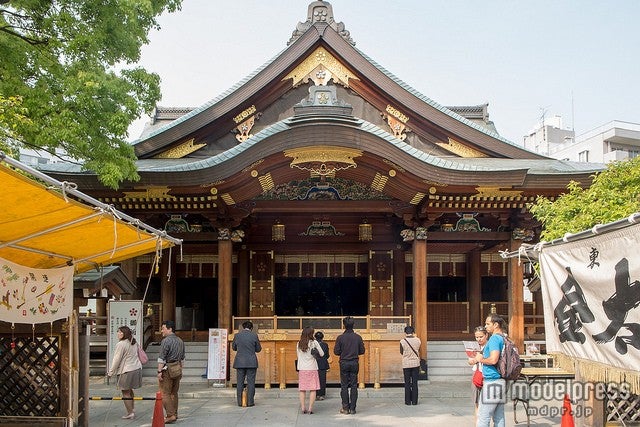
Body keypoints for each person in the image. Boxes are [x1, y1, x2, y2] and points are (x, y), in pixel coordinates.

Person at [475, 314, 507, 427]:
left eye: (488, 324)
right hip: (501, 380)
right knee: (499, 416)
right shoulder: (504, 337)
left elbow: (493, 360)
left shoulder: (494, 338)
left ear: (496, 325)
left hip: (492, 381)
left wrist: (481, 359)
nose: (485, 326)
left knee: (483, 416)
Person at [107, 325, 143, 420]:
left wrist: (111, 372)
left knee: (125, 392)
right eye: (118, 332)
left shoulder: (121, 344)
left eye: (120, 332)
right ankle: (132, 409)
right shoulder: (133, 342)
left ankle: (130, 412)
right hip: (136, 368)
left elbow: (116, 360)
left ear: (125, 333)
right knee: (130, 391)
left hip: (126, 370)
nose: (118, 334)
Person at [334, 316, 365, 415]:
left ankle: (345, 408)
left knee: (344, 386)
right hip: (354, 362)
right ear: (353, 325)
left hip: (344, 362)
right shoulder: (358, 337)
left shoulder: (340, 338)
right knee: (354, 386)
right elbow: (362, 351)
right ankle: (353, 408)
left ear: (344, 325)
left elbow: (336, 352)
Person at [157, 320, 185, 424]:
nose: (161, 331)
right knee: (174, 392)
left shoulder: (166, 341)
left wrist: (159, 371)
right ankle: (175, 413)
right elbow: (183, 358)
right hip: (177, 367)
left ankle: (170, 414)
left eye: (163, 328)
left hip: (167, 368)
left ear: (170, 329)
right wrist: (181, 369)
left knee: (165, 393)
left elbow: (162, 358)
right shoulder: (180, 340)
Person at [232, 320, 262, 407]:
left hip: (240, 362)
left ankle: (240, 402)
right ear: (251, 328)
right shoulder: (254, 335)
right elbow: (258, 349)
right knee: (251, 382)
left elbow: (234, 348)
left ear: (243, 327)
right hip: (251, 362)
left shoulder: (237, 335)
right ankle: (250, 402)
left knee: (240, 382)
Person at [296, 326, 324, 414]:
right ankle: (310, 408)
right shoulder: (314, 342)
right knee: (313, 389)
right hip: (312, 368)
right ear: (311, 334)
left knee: (302, 389)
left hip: (302, 368)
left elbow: (298, 356)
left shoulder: (299, 343)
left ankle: (303, 408)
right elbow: (322, 354)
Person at [468, 326, 490, 413]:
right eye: (477, 337)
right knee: (476, 403)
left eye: (481, 337)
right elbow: (470, 362)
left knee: (487, 403)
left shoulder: (490, 346)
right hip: (476, 374)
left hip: (487, 374)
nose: (479, 339)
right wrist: (473, 360)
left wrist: (479, 358)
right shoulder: (475, 347)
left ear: (486, 335)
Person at [399, 325, 421, 406]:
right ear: (413, 332)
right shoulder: (418, 340)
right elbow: (419, 350)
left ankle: (408, 401)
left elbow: (401, 352)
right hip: (415, 363)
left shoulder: (402, 341)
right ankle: (415, 401)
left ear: (405, 332)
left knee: (407, 383)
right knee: (415, 383)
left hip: (406, 364)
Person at [314, 331, 330, 400]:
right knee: (322, 380)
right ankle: (322, 395)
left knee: (315, 379)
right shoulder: (325, 345)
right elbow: (327, 355)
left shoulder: (313, 344)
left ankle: (316, 394)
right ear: (322, 337)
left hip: (314, 364)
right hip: (323, 364)